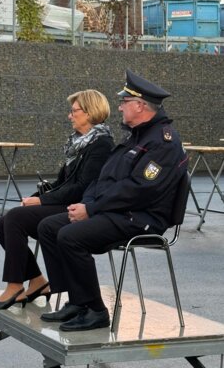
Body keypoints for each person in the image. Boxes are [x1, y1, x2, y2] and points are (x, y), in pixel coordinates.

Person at [38, 69, 189, 331]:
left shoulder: (163, 143)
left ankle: (96, 311)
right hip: (117, 211)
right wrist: (86, 204)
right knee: (49, 227)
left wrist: (93, 209)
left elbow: (139, 191)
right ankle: (78, 302)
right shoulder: (137, 135)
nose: (119, 107)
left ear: (140, 106)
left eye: (124, 102)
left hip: (141, 218)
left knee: (70, 236)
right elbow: (102, 178)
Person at [0, 89, 114, 310]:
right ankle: (36, 281)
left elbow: (82, 188)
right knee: (2, 224)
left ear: (90, 112)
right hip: (66, 202)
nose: (69, 116)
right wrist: (36, 197)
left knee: (14, 218)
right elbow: (63, 182)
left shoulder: (101, 144)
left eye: (74, 111)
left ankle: (15, 286)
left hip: (80, 207)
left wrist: (42, 202)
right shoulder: (80, 143)